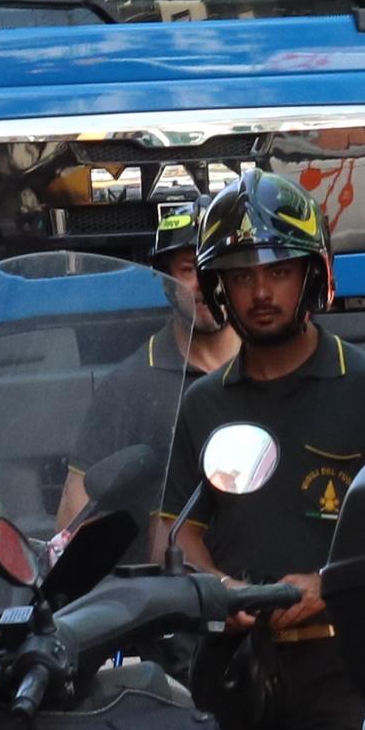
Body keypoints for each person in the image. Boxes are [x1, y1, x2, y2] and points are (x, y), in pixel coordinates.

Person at [161, 171, 365, 730]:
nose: (261, 292)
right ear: (219, 289)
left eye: (277, 271)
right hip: (235, 670)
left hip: (345, 676)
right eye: (241, 276)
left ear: (311, 275)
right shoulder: (198, 407)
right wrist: (214, 587)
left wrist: (327, 585)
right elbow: (175, 529)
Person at [57, 189, 238, 543]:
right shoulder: (128, 387)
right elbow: (74, 516)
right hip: (169, 587)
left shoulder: (275, 369)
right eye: (189, 269)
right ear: (164, 280)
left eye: (218, 267)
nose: (205, 284)